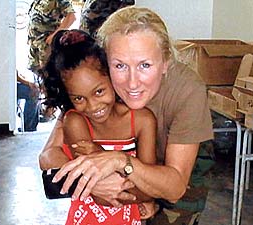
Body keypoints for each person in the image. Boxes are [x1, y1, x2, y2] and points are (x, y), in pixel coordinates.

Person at [40, 6, 214, 225]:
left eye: (145, 65)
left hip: (179, 165)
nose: (132, 83)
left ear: (166, 62)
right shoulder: (94, 82)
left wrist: (119, 161)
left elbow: (175, 187)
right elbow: (48, 156)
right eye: (120, 65)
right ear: (105, 61)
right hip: (128, 174)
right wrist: (92, 181)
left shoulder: (187, 90)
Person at [43, 29, 157, 224]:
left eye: (99, 91)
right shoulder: (75, 121)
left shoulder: (143, 120)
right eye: (79, 98)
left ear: (113, 78)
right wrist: (141, 191)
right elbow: (101, 196)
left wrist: (99, 152)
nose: (93, 106)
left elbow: (151, 186)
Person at [27, 0, 76, 76]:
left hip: (47, 45)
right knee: (38, 75)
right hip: (35, 45)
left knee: (50, 75)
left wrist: (54, 35)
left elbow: (71, 17)